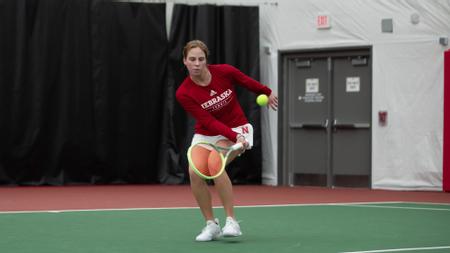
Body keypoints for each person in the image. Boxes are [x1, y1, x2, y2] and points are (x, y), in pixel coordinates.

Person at [175, 40, 278, 242]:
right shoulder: (183, 93)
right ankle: (211, 225)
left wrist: (267, 92)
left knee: (215, 163)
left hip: (238, 127)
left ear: (206, 60)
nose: (197, 63)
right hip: (208, 132)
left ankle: (232, 221)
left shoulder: (224, 71)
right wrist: (233, 137)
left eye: (201, 59)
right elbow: (208, 121)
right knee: (194, 172)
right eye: (192, 59)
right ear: (185, 61)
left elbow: (248, 82)